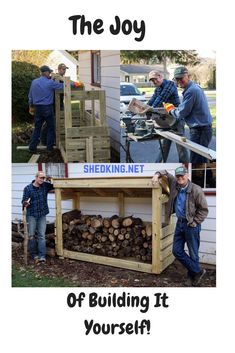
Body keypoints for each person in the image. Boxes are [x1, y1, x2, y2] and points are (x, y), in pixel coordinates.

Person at [152, 166, 208, 286]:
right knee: (176, 251)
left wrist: (194, 222)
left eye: (182, 175)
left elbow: (203, 210)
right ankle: (198, 271)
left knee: (193, 253)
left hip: (191, 225)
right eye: (178, 176)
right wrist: (157, 174)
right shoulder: (174, 184)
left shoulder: (196, 190)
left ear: (187, 175)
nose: (180, 178)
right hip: (180, 223)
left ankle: (191, 277)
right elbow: (165, 172)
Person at [167, 66, 213, 163]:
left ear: (188, 76)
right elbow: (188, 108)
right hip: (203, 128)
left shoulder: (191, 91)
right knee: (202, 159)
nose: (179, 81)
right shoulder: (194, 87)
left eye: (181, 78)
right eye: (177, 79)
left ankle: (199, 178)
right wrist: (177, 109)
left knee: (196, 161)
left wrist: (170, 110)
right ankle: (206, 178)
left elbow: (181, 113)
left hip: (200, 130)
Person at [146, 71, 189, 163]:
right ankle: (158, 166)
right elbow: (152, 100)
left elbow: (161, 98)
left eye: (155, 79)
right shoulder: (157, 89)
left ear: (161, 77)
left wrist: (149, 110)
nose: (154, 82)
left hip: (176, 120)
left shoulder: (170, 85)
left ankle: (184, 167)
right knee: (163, 147)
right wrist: (144, 107)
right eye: (152, 80)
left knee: (181, 148)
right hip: (166, 121)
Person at [28, 65, 64, 152]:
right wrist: (75, 84)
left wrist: (31, 105)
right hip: (47, 108)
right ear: (46, 72)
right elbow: (62, 86)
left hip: (37, 108)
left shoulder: (34, 82)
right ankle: (49, 149)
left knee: (37, 128)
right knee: (51, 128)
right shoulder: (50, 83)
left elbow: (30, 96)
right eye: (49, 72)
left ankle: (32, 148)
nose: (50, 74)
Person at [22, 171, 54, 263]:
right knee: (31, 235)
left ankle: (42, 256)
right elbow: (23, 201)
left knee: (41, 236)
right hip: (31, 214)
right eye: (40, 178)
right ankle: (34, 254)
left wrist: (50, 179)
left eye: (43, 178)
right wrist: (25, 203)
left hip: (42, 215)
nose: (42, 180)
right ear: (36, 177)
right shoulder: (28, 188)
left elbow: (55, 185)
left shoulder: (45, 185)